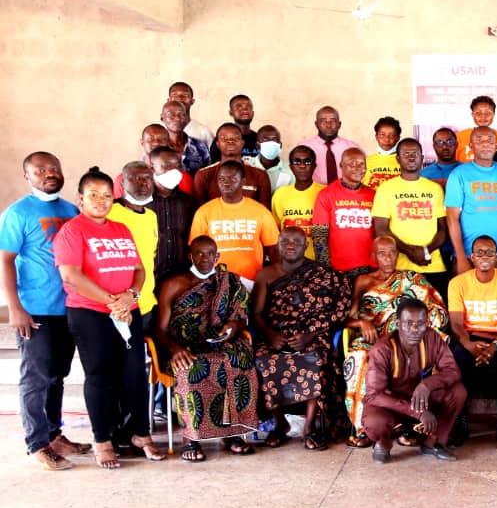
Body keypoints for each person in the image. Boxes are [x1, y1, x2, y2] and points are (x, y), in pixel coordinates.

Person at [54, 168, 164, 468]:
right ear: (81, 199)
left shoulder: (121, 229)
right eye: (93, 195)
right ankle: (102, 440)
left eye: (106, 195)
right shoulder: (73, 231)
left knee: (135, 375)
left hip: (128, 311)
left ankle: (140, 434)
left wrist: (131, 296)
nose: (100, 201)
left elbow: (139, 269)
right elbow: (71, 275)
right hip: (91, 314)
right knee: (100, 376)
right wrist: (113, 302)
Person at [0, 151, 86, 470]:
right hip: (35, 309)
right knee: (35, 378)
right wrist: (15, 307)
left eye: (53, 168)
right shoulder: (17, 213)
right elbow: (5, 261)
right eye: (40, 170)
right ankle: (37, 443)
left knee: (57, 376)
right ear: (27, 176)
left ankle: (53, 434)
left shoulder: (71, 210)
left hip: (68, 307)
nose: (49, 174)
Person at [155, 236, 259, 461]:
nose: (205, 258)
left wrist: (234, 326)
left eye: (210, 254)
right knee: (192, 367)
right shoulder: (173, 284)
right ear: (190, 256)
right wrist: (175, 349)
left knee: (239, 360)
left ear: (217, 256)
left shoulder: (229, 282)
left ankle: (233, 434)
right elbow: (160, 331)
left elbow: (241, 319)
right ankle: (190, 439)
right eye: (199, 253)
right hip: (183, 346)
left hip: (220, 343)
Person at [253, 228, 353, 451]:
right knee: (262, 360)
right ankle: (280, 423)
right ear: (278, 244)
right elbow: (257, 314)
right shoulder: (266, 274)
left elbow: (338, 310)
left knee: (315, 358)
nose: (290, 245)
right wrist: (272, 335)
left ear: (305, 246)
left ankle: (309, 426)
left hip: (312, 335)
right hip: (276, 335)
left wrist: (309, 335)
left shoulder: (322, 274)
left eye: (296, 241)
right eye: (285, 241)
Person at [343, 237, 449, 443]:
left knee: (428, 348)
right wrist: (361, 323)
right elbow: (347, 317)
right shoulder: (363, 281)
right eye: (382, 253)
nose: (388, 257)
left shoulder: (411, 278)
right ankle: (364, 427)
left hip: (407, 339)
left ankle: (412, 424)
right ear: (373, 256)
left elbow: (435, 308)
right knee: (360, 354)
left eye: (392, 252)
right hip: (374, 338)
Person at [362, 298, 465, 464]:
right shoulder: (382, 349)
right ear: (398, 324)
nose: (415, 329)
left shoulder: (432, 338)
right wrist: (418, 412)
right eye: (408, 323)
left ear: (427, 323)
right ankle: (383, 444)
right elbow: (374, 395)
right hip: (391, 404)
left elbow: (453, 371)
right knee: (375, 422)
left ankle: (434, 442)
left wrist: (427, 385)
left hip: (420, 399)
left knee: (458, 391)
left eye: (420, 323)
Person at [447, 236, 497, 450]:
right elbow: (456, 323)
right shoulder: (458, 283)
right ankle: (460, 422)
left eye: (490, 252)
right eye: (479, 252)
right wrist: (468, 344)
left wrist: (495, 346)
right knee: (457, 358)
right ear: (472, 257)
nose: (484, 256)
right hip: (470, 338)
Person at [373, 138, 449, 294]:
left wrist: (426, 251)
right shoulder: (385, 189)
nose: (411, 157)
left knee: (438, 308)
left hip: (432, 265)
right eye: (406, 154)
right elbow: (381, 230)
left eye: (415, 153)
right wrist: (409, 251)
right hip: (399, 266)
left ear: (422, 157)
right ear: (398, 158)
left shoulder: (435, 189)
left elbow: (443, 230)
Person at [189, 160, 280, 284]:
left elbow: (274, 250)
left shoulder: (260, 211)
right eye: (222, 179)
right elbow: (195, 250)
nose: (226, 183)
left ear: (243, 181)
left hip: (251, 281)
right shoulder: (204, 212)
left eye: (233, 179)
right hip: (214, 282)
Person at [445, 127, 497, 274]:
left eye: (490, 140)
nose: (485, 144)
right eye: (479, 140)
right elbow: (452, 218)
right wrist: (461, 258)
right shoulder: (458, 174)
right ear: (471, 146)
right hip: (468, 256)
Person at [106, 162, 159, 324]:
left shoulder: (151, 216)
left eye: (147, 178)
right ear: (122, 183)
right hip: (118, 306)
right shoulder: (109, 213)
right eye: (135, 178)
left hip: (145, 302)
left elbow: (149, 256)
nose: (143, 183)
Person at [311, 148, 376, 277]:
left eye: (362, 164)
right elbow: (319, 236)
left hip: (370, 269)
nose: (358, 168)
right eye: (352, 163)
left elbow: (379, 234)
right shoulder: (326, 194)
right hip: (338, 270)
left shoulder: (373, 194)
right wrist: (327, 271)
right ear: (341, 165)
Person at [146, 146, 197, 281]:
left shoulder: (189, 202)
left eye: (177, 166)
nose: (174, 171)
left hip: (181, 278)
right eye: (167, 166)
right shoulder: (142, 202)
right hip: (148, 277)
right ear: (152, 168)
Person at [193, 123, 272, 208]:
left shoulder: (259, 175)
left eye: (235, 138)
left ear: (242, 143)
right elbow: (200, 211)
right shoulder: (203, 175)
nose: (230, 141)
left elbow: (264, 211)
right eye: (224, 138)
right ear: (217, 144)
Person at [270, 145, 324, 260]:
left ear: (314, 166)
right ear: (291, 167)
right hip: (288, 262)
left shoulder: (325, 193)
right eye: (297, 162)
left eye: (307, 161)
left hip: (318, 261)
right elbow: (276, 231)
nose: (302, 165)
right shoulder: (280, 194)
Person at [299, 106, 363, 185]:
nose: (328, 125)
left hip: (345, 191)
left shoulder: (353, 148)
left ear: (339, 124)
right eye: (323, 121)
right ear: (316, 124)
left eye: (333, 121)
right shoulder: (303, 147)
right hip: (314, 191)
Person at [161, 100, 210, 177]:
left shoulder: (200, 146)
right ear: (162, 118)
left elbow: (207, 175)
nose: (177, 118)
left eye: (181, 114)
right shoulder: (157, 146)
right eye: (171, 115)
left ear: (186, 118)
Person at [456, 95, 497, 162]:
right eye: (478, 113)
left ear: (493, 114)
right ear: (472, 115)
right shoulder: (460, 137)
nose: (483, 116)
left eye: (487, 113)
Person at [209, 94, 259, 161]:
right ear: (231, 113)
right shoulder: (222, 139)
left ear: (253, 113)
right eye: (239, 107)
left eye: (248, 107)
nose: (245, 110)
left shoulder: (259, 139)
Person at [246, 125, 295, 192]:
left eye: (274, 139)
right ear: (257, 146)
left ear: (280, 145)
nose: (271, 143)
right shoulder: (247, 166)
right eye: (265, 140)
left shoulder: (290, 171)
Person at [168, 81, 214, 146]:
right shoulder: (160, 130)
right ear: (169, 100)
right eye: (174, 95)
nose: (180, 98)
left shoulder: (204, 132)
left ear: (192, 101)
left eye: (185, 95)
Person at [363, 116, 403, 191]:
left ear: (398, 138)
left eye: (391, 135)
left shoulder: (404, 161)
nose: (387, 139)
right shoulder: (366, 161)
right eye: (382, 135)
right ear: (376, 137)